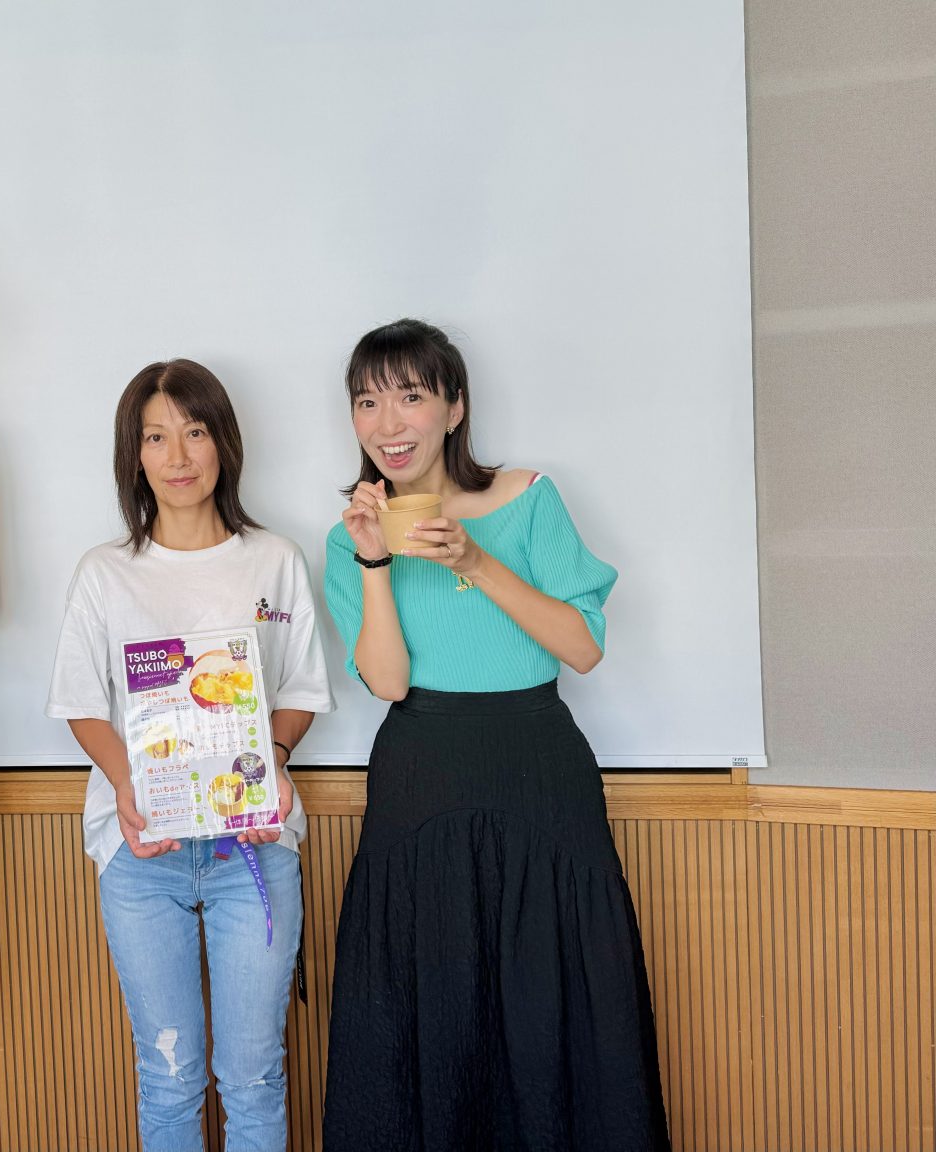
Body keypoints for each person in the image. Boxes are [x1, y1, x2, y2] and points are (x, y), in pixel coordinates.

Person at [321, 319, 669, 1151]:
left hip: (537, 765)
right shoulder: (348, 538)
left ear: (454, 407)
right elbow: (389, 683)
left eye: (411, 396)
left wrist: (475, 563)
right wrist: (375, 562)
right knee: (430, 998)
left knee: (552, 993)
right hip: (421, 773)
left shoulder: (529, 497)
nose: (388, 422)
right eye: (367, 402)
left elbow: (583, 647)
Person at [46, 359, 334, 1152]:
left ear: (224, 443)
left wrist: (275, 758)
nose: (177, 455)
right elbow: (80, 704)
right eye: (155, 437)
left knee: (255, 1078)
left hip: (254, 847)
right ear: (133, 455)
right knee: (169, 1077)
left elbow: (300, 689)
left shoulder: (274, 560)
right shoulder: (105, 573)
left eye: (195, 431)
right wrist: (128, 784)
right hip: (143, 854)